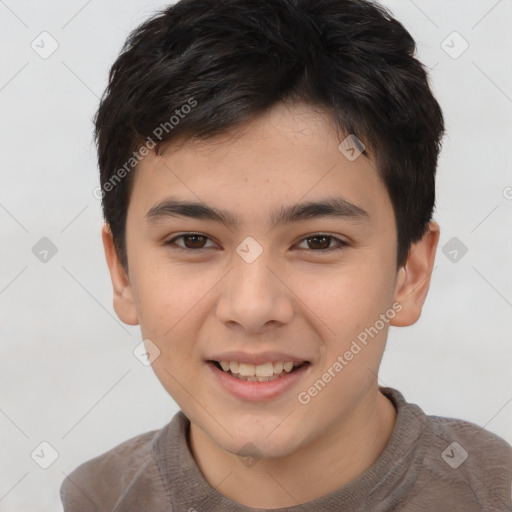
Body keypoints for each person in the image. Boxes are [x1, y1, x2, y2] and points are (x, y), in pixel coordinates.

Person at [60, 0, 512, 510]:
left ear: (410, 274)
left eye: (319, 242)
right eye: (193, 241)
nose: (252, 308)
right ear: (121, 271)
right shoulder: (95, 498)